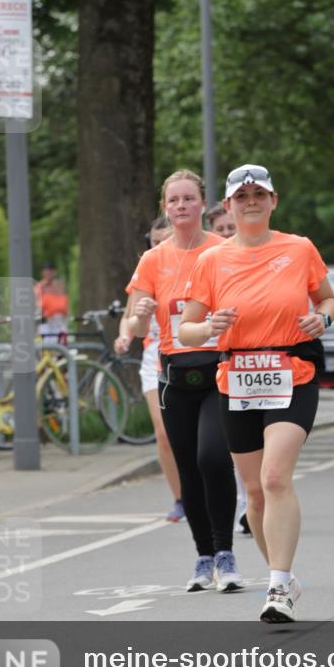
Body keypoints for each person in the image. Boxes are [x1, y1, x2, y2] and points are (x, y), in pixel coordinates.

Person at [179, 163, 334, 622]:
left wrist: (322, 320)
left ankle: (277, 588)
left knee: (274, 477)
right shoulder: (211, 259)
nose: (251, 201)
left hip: (293, 372)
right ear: (227, 205)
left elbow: (327, 300)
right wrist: (209, 327)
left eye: (259, 194)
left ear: (273, 201)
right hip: (238, 378)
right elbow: (186, 330)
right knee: (254, 493)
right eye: (241, 195)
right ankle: (282, 578)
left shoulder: (299, 248)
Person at [125, 169, 241, 592]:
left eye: (189, 199)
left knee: (213, 456)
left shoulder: (224, 249)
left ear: (203, 204)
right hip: (174, 375)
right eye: (173, 200)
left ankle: (226, 553)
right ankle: (202, 556)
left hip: (217, 370)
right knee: (188, 467)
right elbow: (139, 328)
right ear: (164, 208)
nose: (181, 206)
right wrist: (139, 318)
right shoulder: (152, 260)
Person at [115, 217, 184, 522]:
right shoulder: (146, 270)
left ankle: (209, 489)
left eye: (164, 240)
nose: (158, 247)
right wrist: (125, 335)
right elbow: (130, 317)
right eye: (153, 243)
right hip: (154, 357)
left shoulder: (196, 263)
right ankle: (181, 499)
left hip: (192, 352)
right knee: (165, 433)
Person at [207, 202, 250, 535]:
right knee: (230, 448)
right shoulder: (210, 264)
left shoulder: (261, 259)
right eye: (219, 230)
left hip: (255, 363)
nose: (225, 234)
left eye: (229, 228)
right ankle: (245, 502)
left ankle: (256, 501)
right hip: (215, 362)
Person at [34, 263, 69, 340]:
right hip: (46, 321)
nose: (48, 274)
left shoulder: (59, 285)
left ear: (54, 272)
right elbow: (37, 305)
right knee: (46, 344)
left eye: (50, 271)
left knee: (60, 342)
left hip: (60, 321)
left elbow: (65, 304)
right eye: (46, 271)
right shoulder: (39, 287)